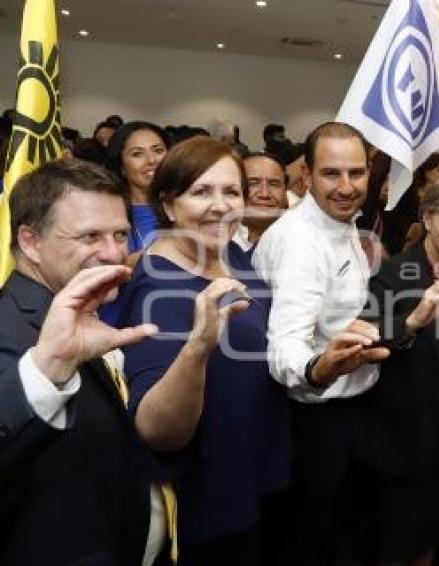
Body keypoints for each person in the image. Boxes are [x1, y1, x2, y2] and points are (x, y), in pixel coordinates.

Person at [115, 137, 292, 564]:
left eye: (231, 192)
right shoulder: (159, 286)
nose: (220, 205)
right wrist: (198, 345)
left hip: (256, 472)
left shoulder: (231, 253)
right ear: (170, 204)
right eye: (201, 191)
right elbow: (156, 428)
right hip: (210, 501)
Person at [0, 159, 165, 565]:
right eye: (90, 236)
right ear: (31, 241)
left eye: (120, 234)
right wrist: (46, 370)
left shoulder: (80, 310)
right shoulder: (12, 327)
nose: (113, 253)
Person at [252, 121, 390, 565]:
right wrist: (319, 368)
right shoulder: (300, 240)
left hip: (347, 413)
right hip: (311, 421)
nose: (347, 186)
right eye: (332, 174)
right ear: (306, 176)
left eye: (357, 173)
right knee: (306, 541)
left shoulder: (342, 222)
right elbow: (287, 346)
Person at [363, 172, 439, 565]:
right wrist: (415, 319)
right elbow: (372, 338)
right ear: (428, 218)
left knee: (432, 538)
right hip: (400, 439)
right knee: (393, 544)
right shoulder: (392, 273)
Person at [105, 121, 170, 253]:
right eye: (137, 154)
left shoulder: (185, 203)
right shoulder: (108, 212)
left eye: (158, 151)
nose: (152, 160)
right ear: (121, 167)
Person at [233, 151, 288, 254]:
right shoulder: (216, 239)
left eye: (274, 184)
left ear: (285, 193)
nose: (264, 194)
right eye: (253, 183)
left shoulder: (304, 239)